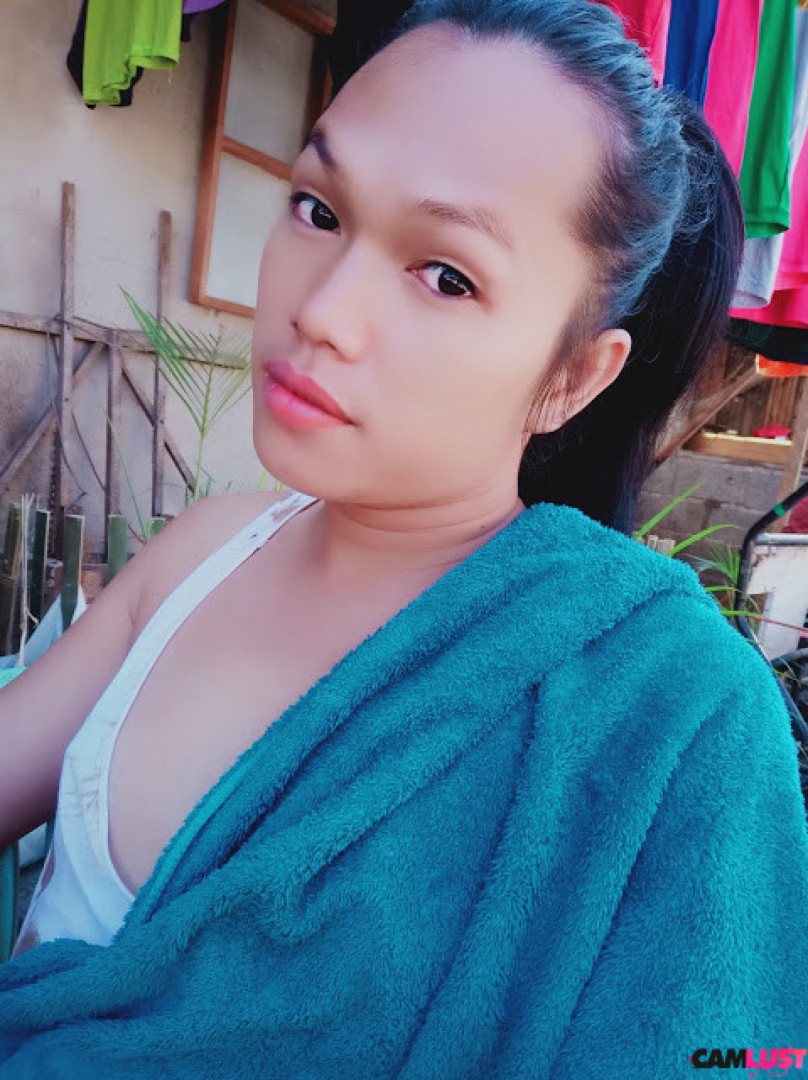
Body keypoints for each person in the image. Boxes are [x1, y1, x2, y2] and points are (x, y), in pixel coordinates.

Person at [1, 0, 807, 1074]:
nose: (322, 311)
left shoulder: (670, 711)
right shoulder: (196, 557)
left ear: (574, 376)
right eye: (318, 208)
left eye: (446, 277)